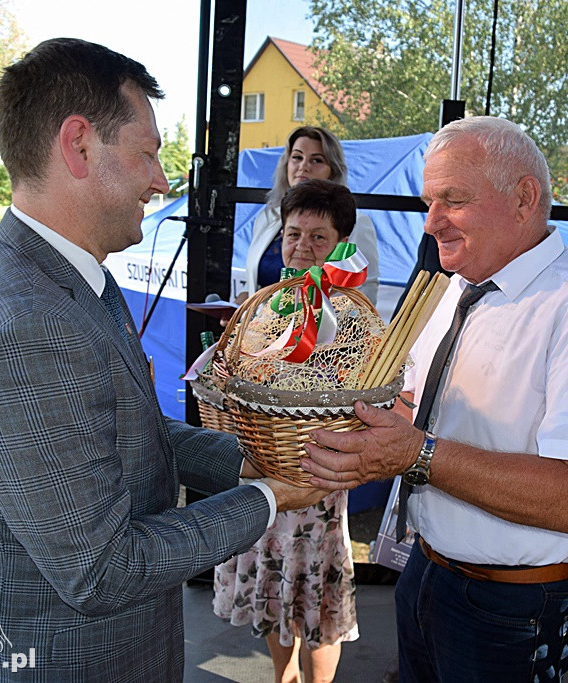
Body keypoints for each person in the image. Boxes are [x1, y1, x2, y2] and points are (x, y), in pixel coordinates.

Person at [0, 38, 325, 681]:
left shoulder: (70, 279)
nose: (161, 181)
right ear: (79, 145)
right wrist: (271, 497)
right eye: (149, 153)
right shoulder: (28, 324)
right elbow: (103, 569)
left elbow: (124, 427)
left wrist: (250, 460)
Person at [299, 116, 568, 683]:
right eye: (429, 200)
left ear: (524, 198)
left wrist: (416, 455)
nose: (431, 221)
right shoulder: (451, 289)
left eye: (453, 200)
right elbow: (420, 409)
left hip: (513, 607)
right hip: (427, 573)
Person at [213, 179, 361, 683]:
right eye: (293, 233)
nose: (301, 246)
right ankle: (284, 678)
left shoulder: (349, 317)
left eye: (318, 237)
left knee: (319, 605)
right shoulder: (263, 307)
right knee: (277, 601)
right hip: (266, 473)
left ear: (342, 246)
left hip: (317, 479)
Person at [242, 126, 380, 303]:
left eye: (316, 160)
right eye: (297, 157)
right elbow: (253, 283)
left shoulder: (357, 223)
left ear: (333, 170)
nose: (304, 166)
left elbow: (365, 290)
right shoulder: (267, 217)